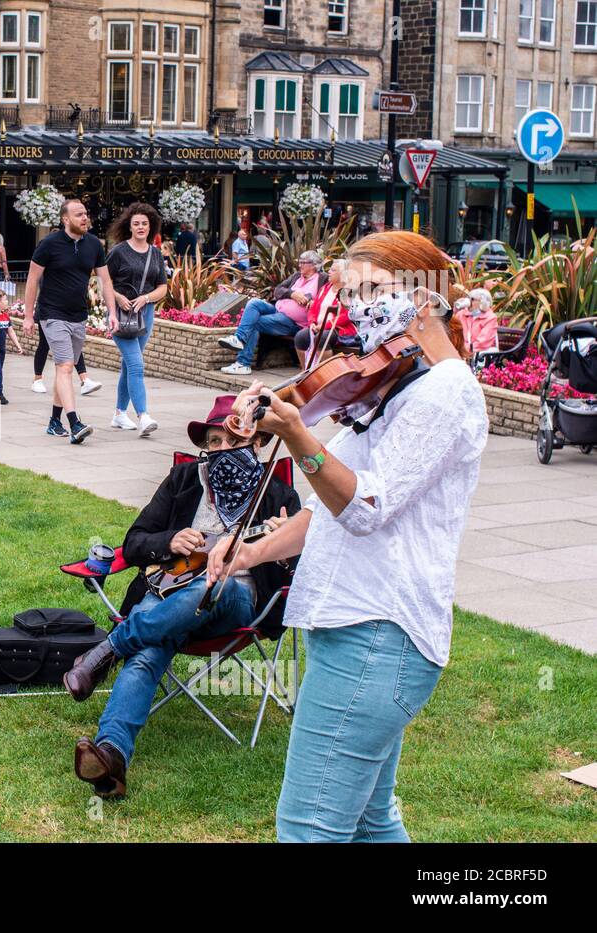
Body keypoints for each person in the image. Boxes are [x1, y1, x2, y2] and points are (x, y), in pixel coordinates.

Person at [209, 230, 485, 841]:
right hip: (359, 632)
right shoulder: (395, 387)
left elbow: (364, 507)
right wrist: (249, 550)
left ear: (427, 295)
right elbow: (325, 508)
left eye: (374, 291)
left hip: (378, 634)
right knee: (367, 824)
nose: (360, 308)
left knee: (308, 829)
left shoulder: (444, 395)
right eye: (351, 294)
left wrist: (299, 437)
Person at [66, 395, 299, 797]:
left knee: (216, 583)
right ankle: (112, 758)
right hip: (170, 590)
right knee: (149, 651)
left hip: (236, 600)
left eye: (232, 441)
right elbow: (135, 542)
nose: (221, 450)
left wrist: (286, 550)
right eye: (213, 443)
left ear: (258, 443)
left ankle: (107, 650)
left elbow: (297, 576)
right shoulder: (185, 479)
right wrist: (169, 540)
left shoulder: (278, 496)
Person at [23, 198, 115, 443]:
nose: (84, 218)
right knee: (65, 367)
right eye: (78, 215)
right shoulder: (49, 244)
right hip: (52, 314)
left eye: (85, 213)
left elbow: (105, 281)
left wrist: (112, 313)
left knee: (63, 369)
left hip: (78, 315)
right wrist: (29, 316)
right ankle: (74, 423)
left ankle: (54, 421)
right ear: (65, 219)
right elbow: (32, 280)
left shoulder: (94, 244)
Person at [105, 202, 169, 438]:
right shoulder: (119, 251)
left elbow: (163, 287)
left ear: (151, 226)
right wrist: (119, 297)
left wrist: (146, 298)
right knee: (136, 365)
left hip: (146, 314)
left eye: (145, 223)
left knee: (128, 365)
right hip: (120, 313)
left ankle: (120, 413)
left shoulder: (155, 254)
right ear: (129, 226)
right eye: (136, 223)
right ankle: (143, 416)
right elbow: (103, 281)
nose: (141, 227)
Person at [219, 250, 322, 375]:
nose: (299, 265)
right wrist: (292, 294)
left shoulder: (321, 279)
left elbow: (326, 296)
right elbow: (277, 290)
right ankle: (238, 338)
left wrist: (313, 301)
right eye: (299, 262)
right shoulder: (296, 277)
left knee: (254, 323)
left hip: (294, 322)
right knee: (254, 303)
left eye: (303, 263)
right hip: (277, 309)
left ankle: (243, 363)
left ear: (313, 265)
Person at [293, 258, 357, 367]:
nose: (329, 272)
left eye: (333, 270)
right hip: (318, 327)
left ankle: (327, 373)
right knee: (300, 336)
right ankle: (305, 372)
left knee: (322, 338)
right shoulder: (325, 288)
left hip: (339, 329)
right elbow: (313, 308)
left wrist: (325, 326)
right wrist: (312, 322)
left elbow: (347, 315)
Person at [457, 287, 500, 363]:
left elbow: (482, 343)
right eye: (468, 298)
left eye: (472, 299)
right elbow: (452, 329)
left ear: (483, 303)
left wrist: (462, 349)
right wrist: (455, 309)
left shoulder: (490, 318)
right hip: (462, 354)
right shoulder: (461, 314)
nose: (469, 301)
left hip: (481, 356)